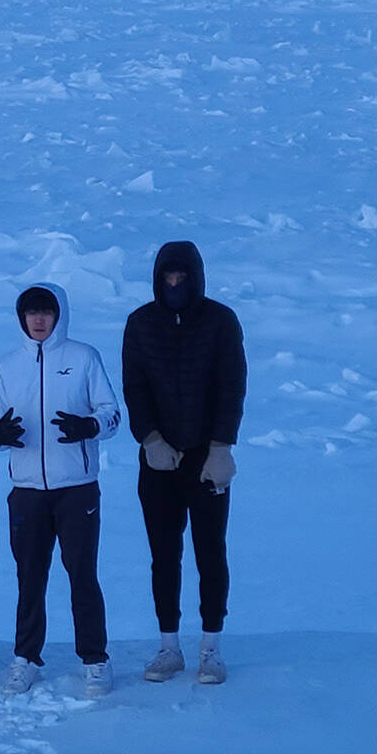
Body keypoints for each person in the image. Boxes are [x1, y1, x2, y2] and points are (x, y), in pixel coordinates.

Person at [0, 283, 121, 698]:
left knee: (82, 574)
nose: (39, 319)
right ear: (21, 317)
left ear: (59, 314)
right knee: (30, 576)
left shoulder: (83, 358)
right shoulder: (7, 366)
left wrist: (90, 426)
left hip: (76, 488)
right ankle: (25, 658)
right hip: (26, 489)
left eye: (46, 311)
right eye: (32, 313)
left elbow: (112, 413)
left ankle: (95, 659)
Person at [122, 241, 247, 685]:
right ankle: (168, 647)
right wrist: (150, 438)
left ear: (195, 278)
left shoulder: (220, 321)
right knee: (164, 554)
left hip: (207, 458)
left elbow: (232, 387)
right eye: (168, 279)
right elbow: (134, 388)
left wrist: (221, 447)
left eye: (182, 279)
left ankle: (210, 648)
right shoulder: (140, 323)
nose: (175, 286)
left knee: (210, 552)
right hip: (159, 461)